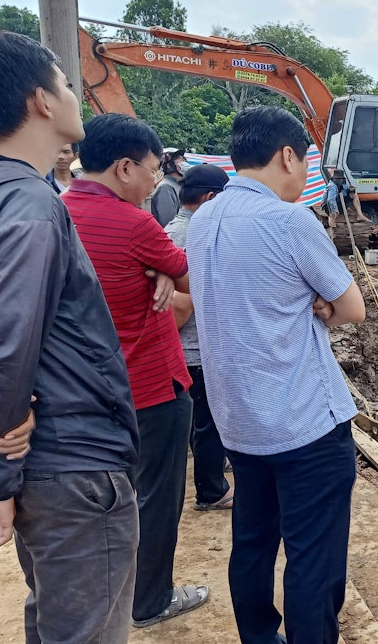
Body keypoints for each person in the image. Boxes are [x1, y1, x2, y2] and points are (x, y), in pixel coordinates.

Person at [186, 105, 366, 644]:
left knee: (254, 542)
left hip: (238, 421)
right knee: (313, 557)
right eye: (306, 161)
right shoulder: (290, 221)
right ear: (287, 155)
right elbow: (352, 307)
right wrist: (320, 304)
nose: (308, 174)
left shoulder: (203, 219)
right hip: (305, 423)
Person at [0, 29, 139, 644]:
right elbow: (9, 339)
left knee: (53, 618)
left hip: (47, 465)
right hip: (72, 465)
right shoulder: (30, 207)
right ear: (41, 101)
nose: (77, 95)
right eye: (65, 83)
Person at [62, 113, 208, 628]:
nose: (155, 181)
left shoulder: (58, 212)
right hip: (151, 386)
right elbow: (198, 281)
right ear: (124, 168)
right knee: (157, 498)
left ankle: (112, 596)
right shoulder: (134, 223)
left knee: (110, 502)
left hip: (86, 393)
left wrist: (165, 280)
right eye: (151, 170)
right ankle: (150, 600)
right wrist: (168, 280)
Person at [164, 164, 234, 513]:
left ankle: (214, 468)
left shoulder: (168, 231)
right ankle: (211, 490)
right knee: (210, 420)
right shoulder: (202, 235)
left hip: (176, 346)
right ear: (209, 198)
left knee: (196, 419)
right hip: (199, 344)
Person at [151, 147, 188, 227]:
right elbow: (169, 223)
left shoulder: (178, 185)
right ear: (169, 165)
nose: (185, 163)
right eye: (181, 160)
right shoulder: (165, 187)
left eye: (184, 160)